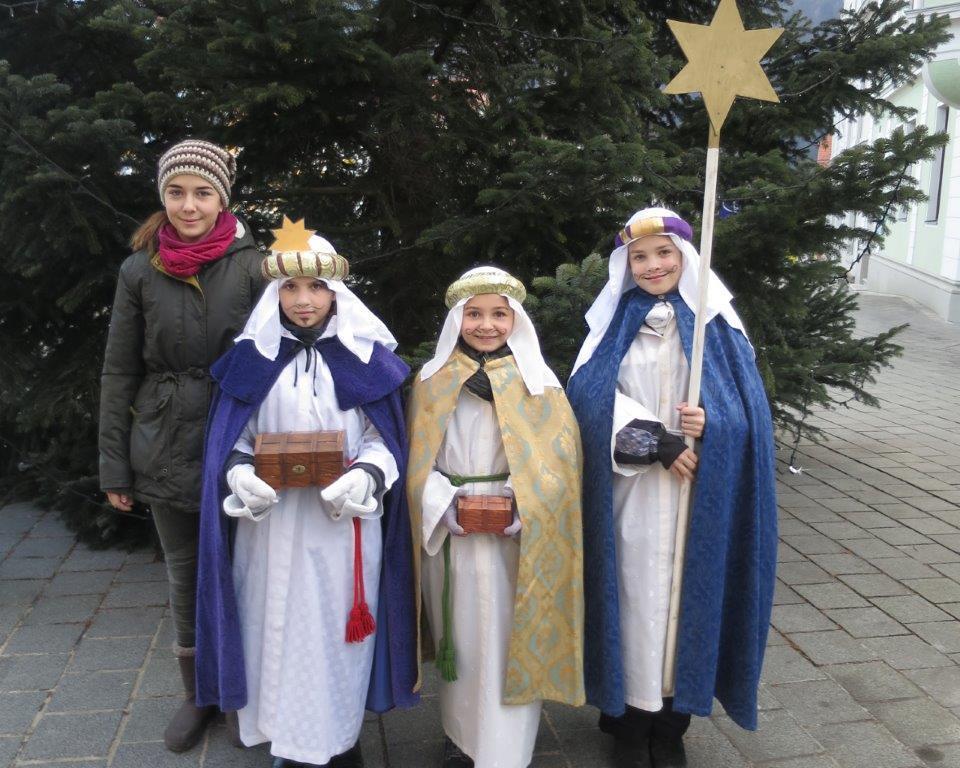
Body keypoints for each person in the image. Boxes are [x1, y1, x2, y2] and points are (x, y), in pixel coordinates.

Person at [194, 219, 419, 768]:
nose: (303, 300)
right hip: (267, 531)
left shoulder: (365, 360)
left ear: (335, 292)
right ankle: (286, 741)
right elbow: (233, 440)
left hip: (341, 528)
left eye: (317, 287)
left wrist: (366, 475)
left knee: (331, 636)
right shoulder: (252, 359)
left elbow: (385, 438)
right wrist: (241, 475)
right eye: (290, 288)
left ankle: (337, 740)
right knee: (270, 627)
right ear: (274, 293)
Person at [566, 208, 777, 765]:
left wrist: (714, 423)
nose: (652, 265)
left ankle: (671, 727)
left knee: (686, 601)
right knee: (634, 600)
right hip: (630, 495)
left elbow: (749, 417)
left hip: (696, 498)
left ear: (684, 258)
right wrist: (654, 440)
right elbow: (586, 401)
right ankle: (629, 724)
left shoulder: (716, 328)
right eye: (639, 256)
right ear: (626, 265)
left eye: (664, 253)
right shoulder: (613, 325)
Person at [98, 139, 264, 752]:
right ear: (162, 196)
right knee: (185, 572)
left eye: (201, 192)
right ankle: (199, 695)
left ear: (222, 198)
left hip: (236, 436)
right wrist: (114, 465)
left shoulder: (255, 267)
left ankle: (247, 690)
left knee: (249, 568)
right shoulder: (140, 270)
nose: (188, 205)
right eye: (176, 192)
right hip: (164, 440)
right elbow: (119, 370)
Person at [406, 266, 585, 768]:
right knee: (460, 639)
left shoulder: (539, 381)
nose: (486, 325)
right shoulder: (432, 380)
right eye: (474, 314)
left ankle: (507, 749)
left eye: (499, 315)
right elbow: (417, 459)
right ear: (456, 321)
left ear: (516, 320)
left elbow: (561, 460)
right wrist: (441, 502)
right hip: (452, 534)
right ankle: (461, 738)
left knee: (509, 638)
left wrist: (523, 500)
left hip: (515, 539)